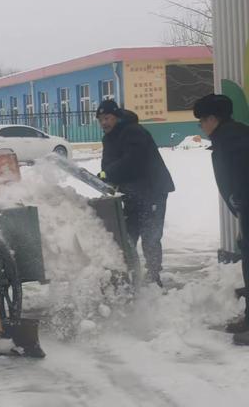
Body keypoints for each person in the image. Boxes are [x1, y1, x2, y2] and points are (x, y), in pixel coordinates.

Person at [96, 99, 175, 287]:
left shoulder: (133, 131)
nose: (104, 123)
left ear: (116, 116)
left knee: (150, 235)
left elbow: (133, 161)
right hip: (131, 193)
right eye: (100, 120)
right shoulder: (109, 137)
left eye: (107, 118)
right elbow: (107, 164)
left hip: (152, 190)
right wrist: (106, 177)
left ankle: (154, 276)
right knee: (128, 235)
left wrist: (110, 173)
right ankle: (130, 276)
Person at [193, 94, 249, 345]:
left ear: (213, 119)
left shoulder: (233, 140)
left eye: (201, 121)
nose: (201, 127)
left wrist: (240, 202)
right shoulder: (232, 137)